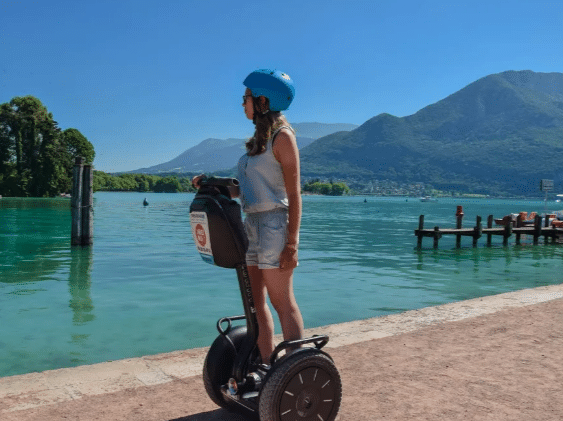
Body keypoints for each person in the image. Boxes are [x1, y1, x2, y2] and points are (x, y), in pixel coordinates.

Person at [193, 69, 304, 364]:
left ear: (263, 100)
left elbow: (294, 194)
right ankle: (269, 370)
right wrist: (211, 183)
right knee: (256, 305)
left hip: (274, 225)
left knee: (282, 303)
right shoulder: (259, 140)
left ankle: (295, 368)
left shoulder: (283, 138)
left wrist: (292, 243)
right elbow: (248, 190)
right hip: (251, 224)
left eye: (246, 98)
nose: (243, 103)